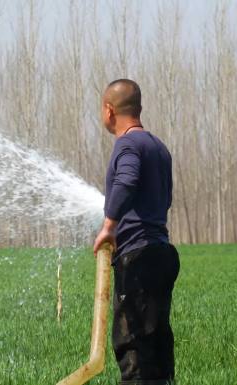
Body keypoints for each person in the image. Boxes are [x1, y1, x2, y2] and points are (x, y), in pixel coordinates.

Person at [92, 79, 180, 385]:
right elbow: (165, 198)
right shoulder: (159, 147)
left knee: (133, 348)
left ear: (109, 110)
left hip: (138, 259)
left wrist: (109, 226)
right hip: (162, 253)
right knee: (156, 341)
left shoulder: (127, 144)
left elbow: (127, 181)